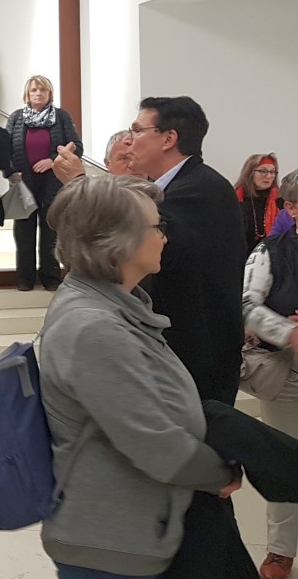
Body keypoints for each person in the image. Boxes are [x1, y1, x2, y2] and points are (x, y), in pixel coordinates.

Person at [37, 174, 239, 579]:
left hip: (130, 530)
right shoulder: (95, 327)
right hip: (108, 541)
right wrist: (220, 473)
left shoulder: (118, 307)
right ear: (116, 242)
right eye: (156, 226)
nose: (165, 236)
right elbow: (153, 443)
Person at [53, 96, 247, 404]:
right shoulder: (178, 185)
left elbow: (129, 242)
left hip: (197, 356)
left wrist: (79, 183)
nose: (129, 140)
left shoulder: (200, 189)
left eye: (137, 130)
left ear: (168, 139)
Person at [241, 161, 298, 579]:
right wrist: (292, 333)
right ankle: (280, 551)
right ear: (290, 208)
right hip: (284, 378)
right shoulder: (268, 252)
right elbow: (246, 306)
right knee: (285, 465)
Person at [5, 75, 82, 291]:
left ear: (49, 94)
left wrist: (52, 161)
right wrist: (12, 172)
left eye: (43, 90)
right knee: (23, 233)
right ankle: (25, 278)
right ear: (27, 94)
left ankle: (51, 277)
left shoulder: (61, 117)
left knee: (51, 230)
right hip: (23, 184)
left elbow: (76, 146)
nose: (38, 93)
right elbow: (5, 148)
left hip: (52, 183)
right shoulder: (16, 117)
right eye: (34, 90)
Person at [235, 153, 283, 253]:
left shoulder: (280, 201)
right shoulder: (235, 199)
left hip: (273, 254)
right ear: (250, 173)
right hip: (241, 255)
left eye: (272, 172)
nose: (269, 176)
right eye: (263, 171)